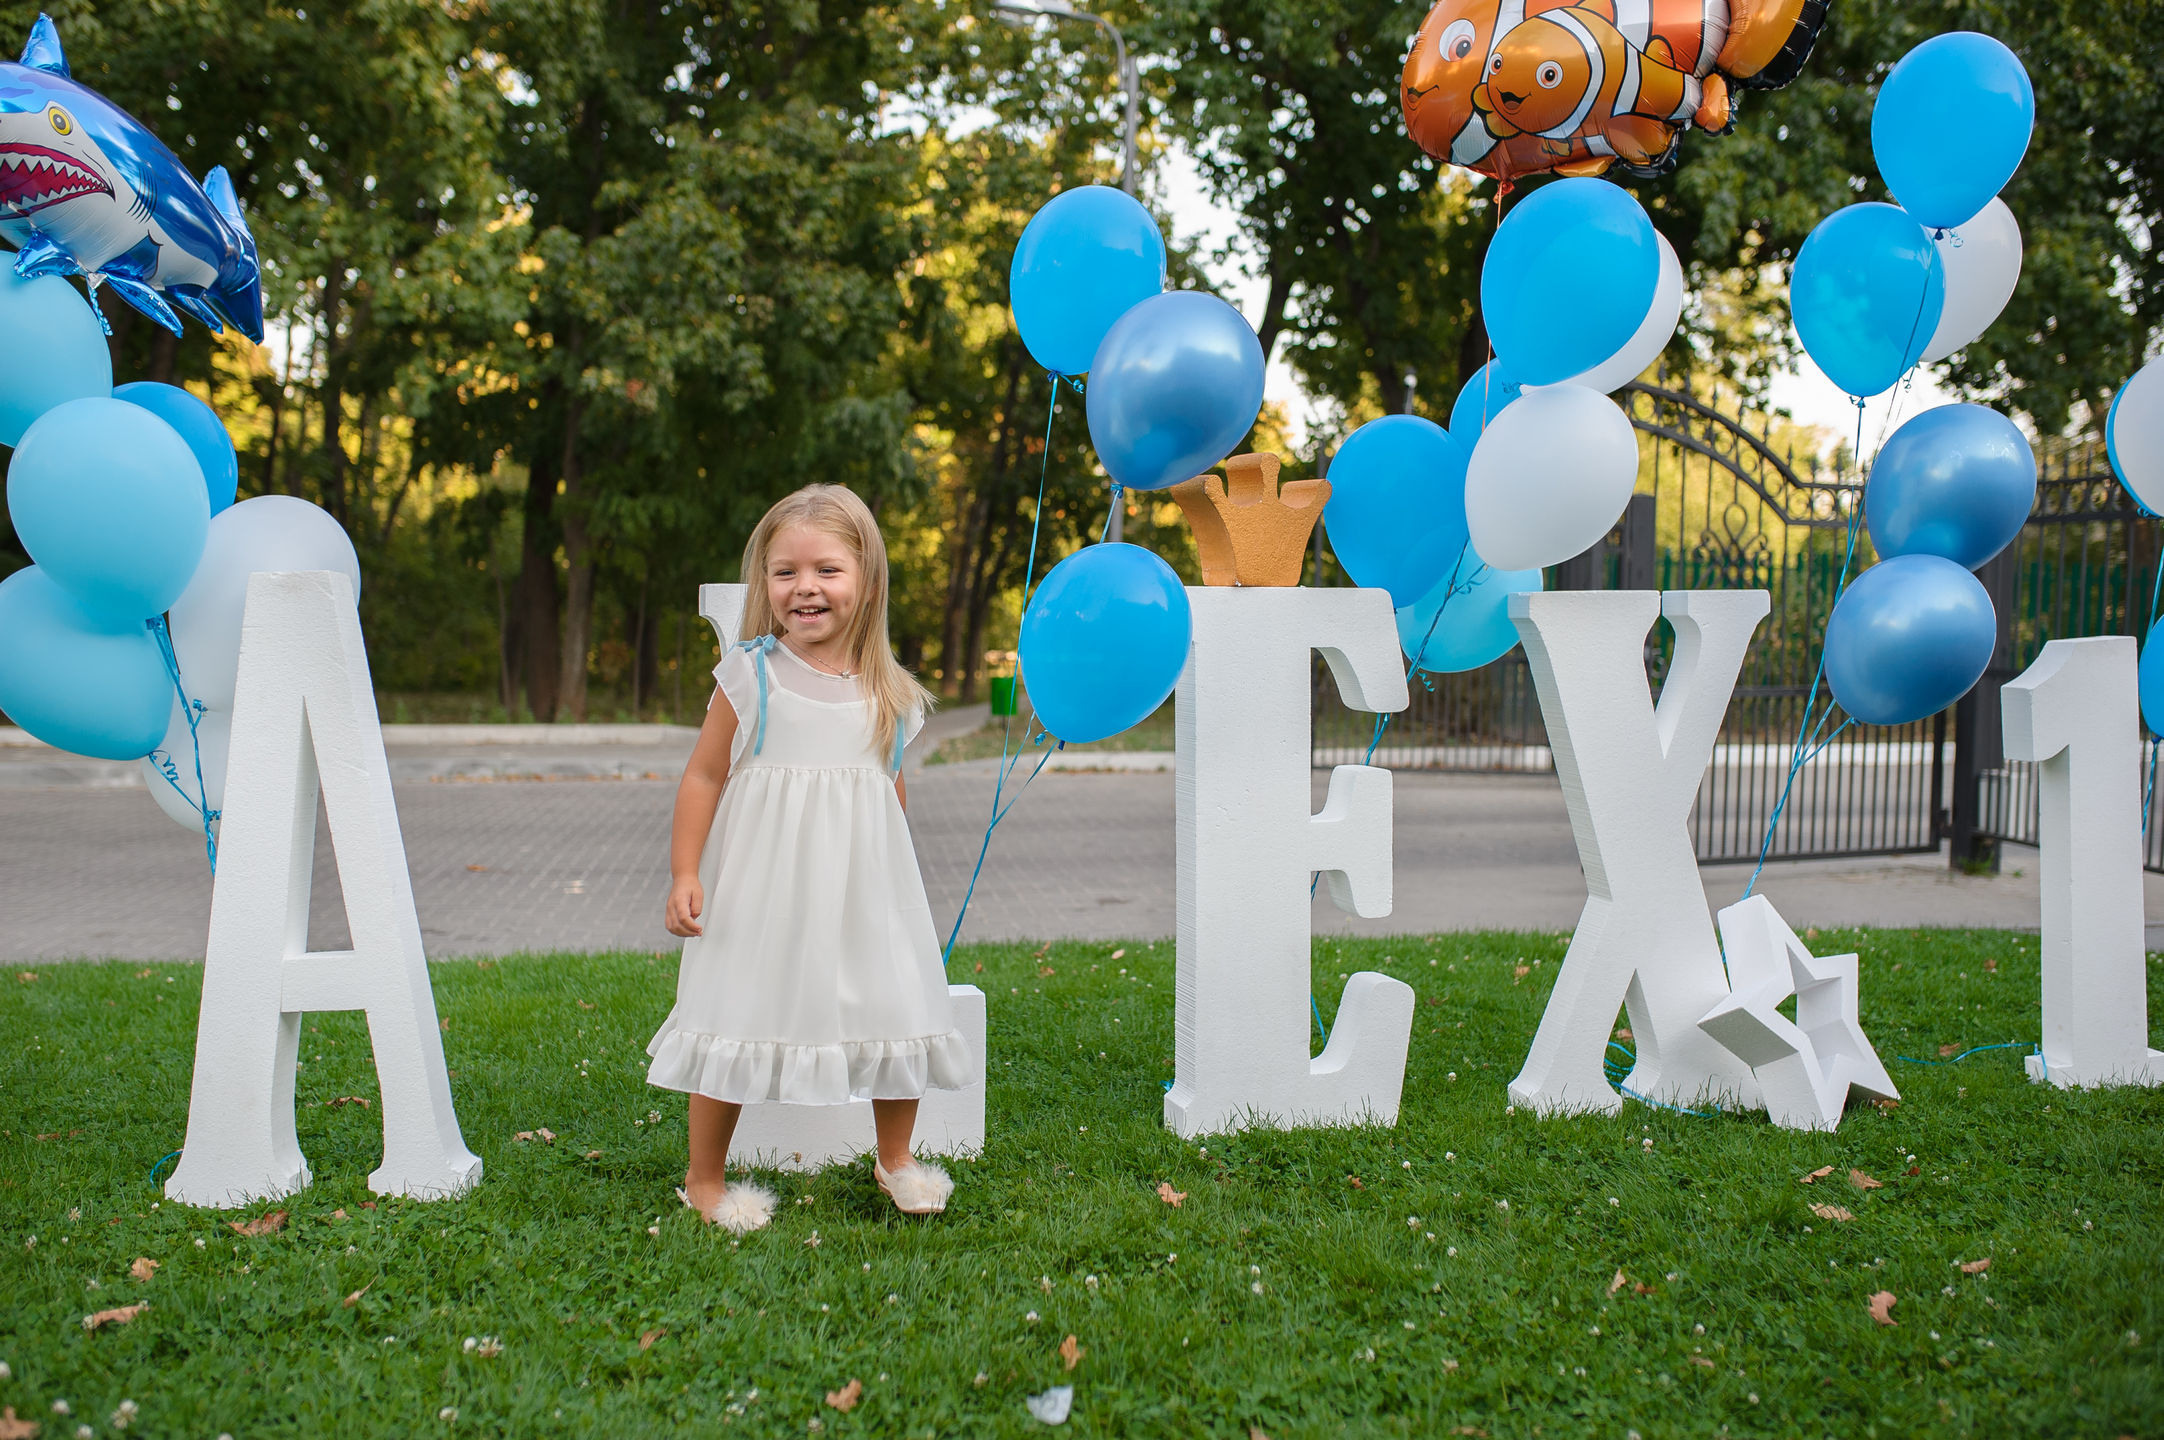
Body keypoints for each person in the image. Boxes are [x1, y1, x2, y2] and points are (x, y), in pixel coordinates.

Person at [649, 483, 970, 1232]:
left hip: (863, 887)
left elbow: (887, 795)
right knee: (736, 1007)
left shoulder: (889, 692)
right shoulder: (752, 674)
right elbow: (703, 774)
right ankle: (704, 1178)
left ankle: (895, 1158)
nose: (805, 588)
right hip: (765, 884)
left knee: (897, 1006)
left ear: (867, 581)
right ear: (765, 583)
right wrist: (686, 872)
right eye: (785, 571)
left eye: (827, 569)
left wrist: (899, 891)